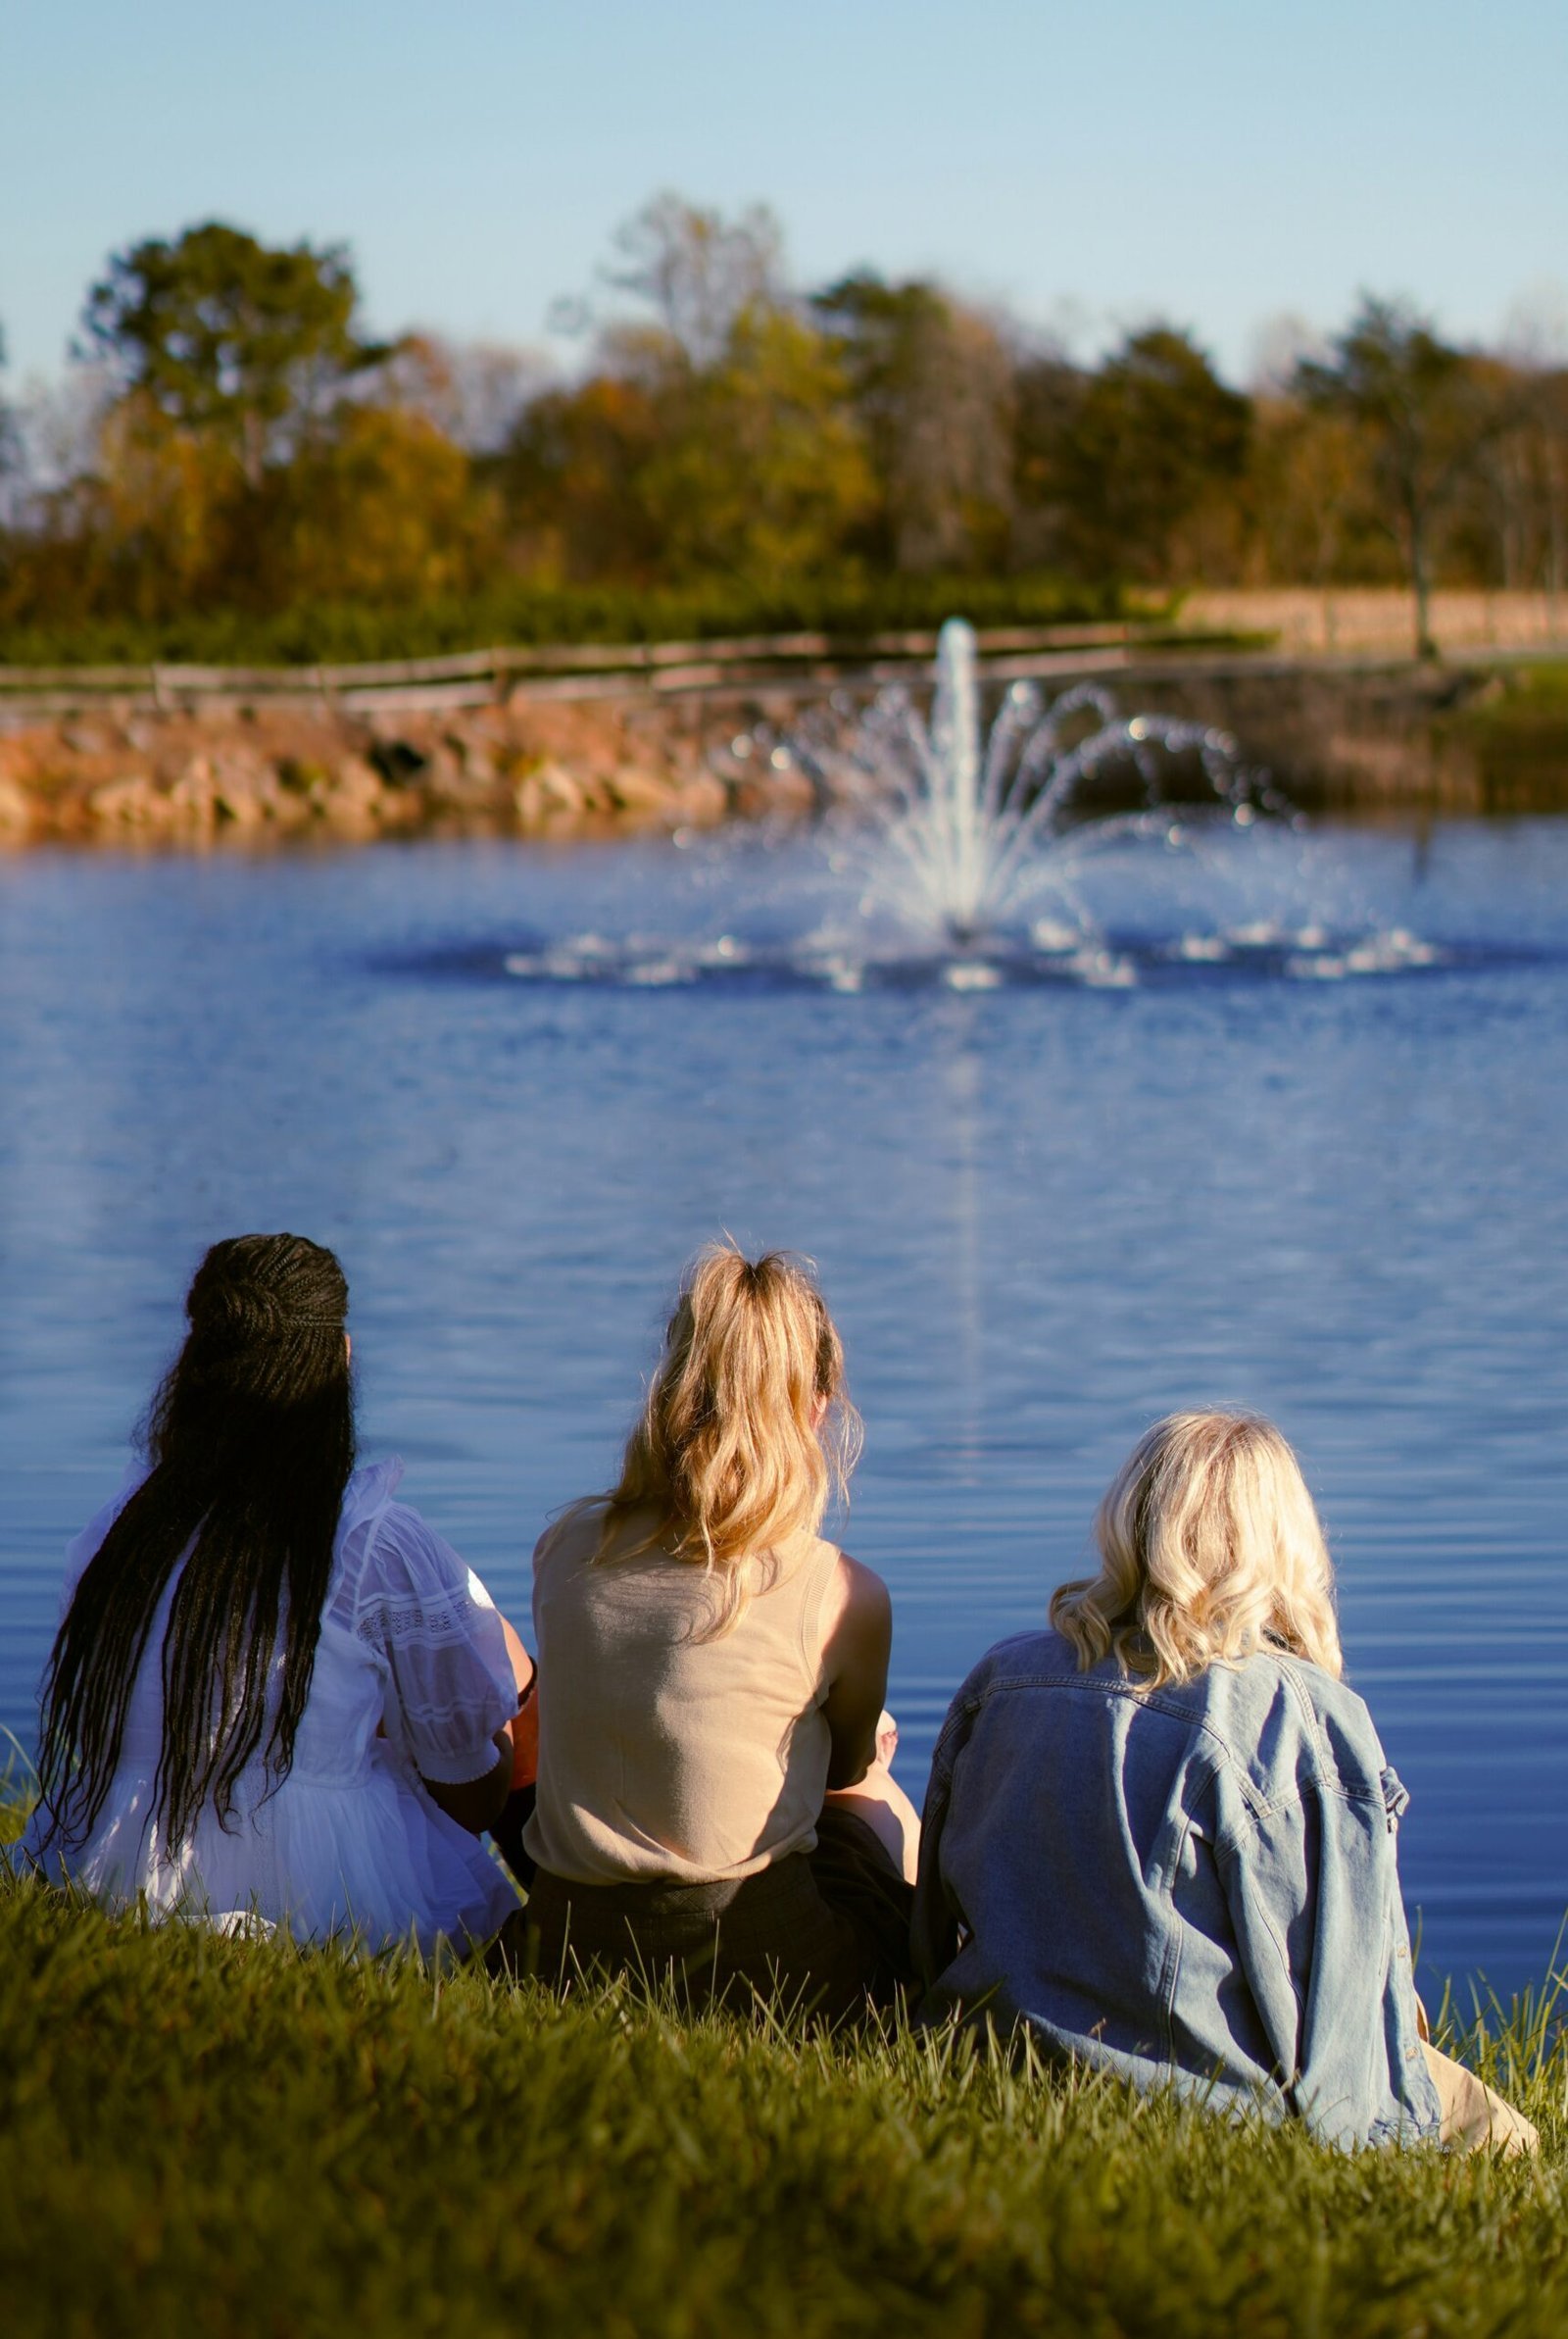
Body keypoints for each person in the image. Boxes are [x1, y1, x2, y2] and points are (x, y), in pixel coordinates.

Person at [912, 1410, 1538, 2155]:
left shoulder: (1003, 1678)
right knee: (1515, 2141)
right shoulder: (1299, 1717)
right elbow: (1338, 2021)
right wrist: (1379, 2133)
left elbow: (937, 1919)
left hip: (985, 2056)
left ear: (1129, 1519)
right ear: (1285, 1545)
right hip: (1198, 2104)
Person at [17, 1233, 532, 1958]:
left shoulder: (120, 1532)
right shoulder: (371, 1542)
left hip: (116, 1863)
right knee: (493, 1658)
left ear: (193, 1369)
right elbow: (471, 1798)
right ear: (340, 1362)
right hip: (326, 1885)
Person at [515, 1244, 919, 2017]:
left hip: (566, 1940)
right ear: (816, 1406)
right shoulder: (841, 1591)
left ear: (672, 1384)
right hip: (754, 1961)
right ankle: (928, 1989)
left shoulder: (565, 1547)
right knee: (877, 1798)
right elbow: (846, 1772)